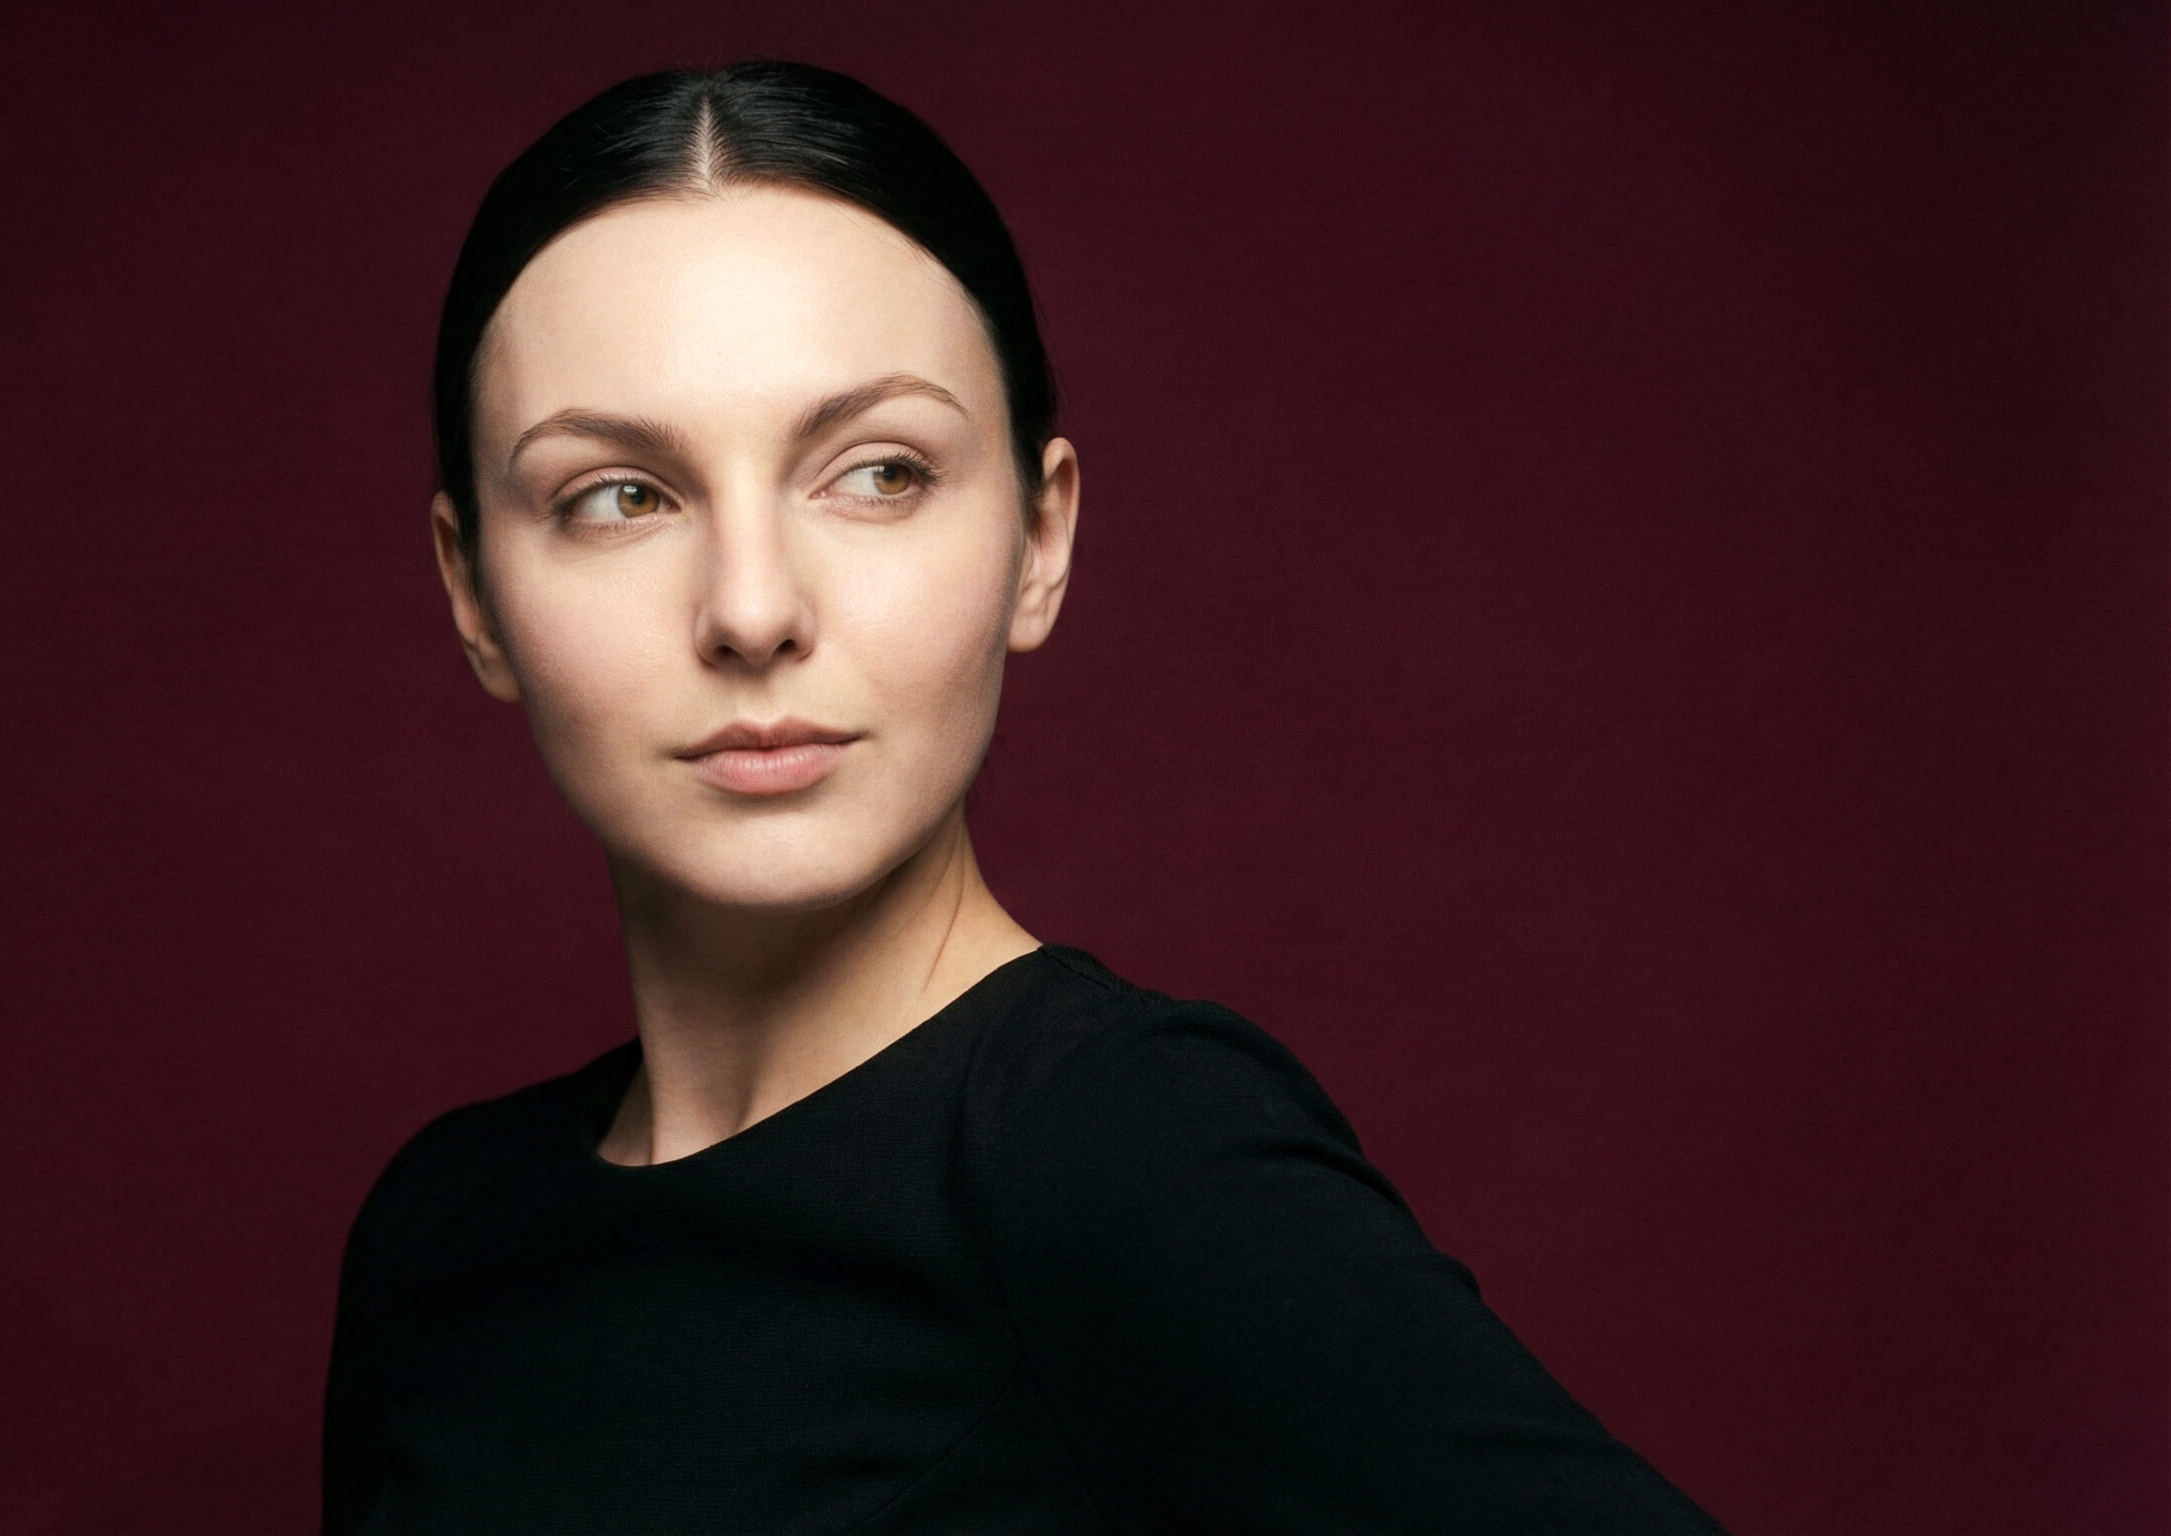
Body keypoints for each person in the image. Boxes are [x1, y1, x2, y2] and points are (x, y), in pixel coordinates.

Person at [322, 60, 1720, 1534]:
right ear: (473, 591)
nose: (752, 610)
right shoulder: (444, 1236)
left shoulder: (1121, 1152)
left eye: (877, 473)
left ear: (1039, 538)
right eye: (619, 496)